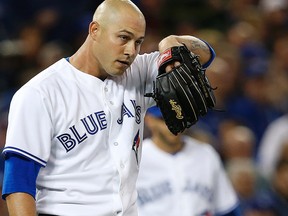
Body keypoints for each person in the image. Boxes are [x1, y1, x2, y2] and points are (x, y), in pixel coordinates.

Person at [1, 0, 216, 216]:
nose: (131, 51)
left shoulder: (138, 71)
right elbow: (18, 182)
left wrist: (172, 42)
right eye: (123, 38)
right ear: (95, 30)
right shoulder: (40, 93)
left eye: (138, 41)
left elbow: (206, 55)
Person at [137, 106, 241, 216]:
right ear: (149, 120)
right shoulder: (136, 158)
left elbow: (226, 208)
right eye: (165, 119)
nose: (174, 124)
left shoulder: (206, 154)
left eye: (179, 117)